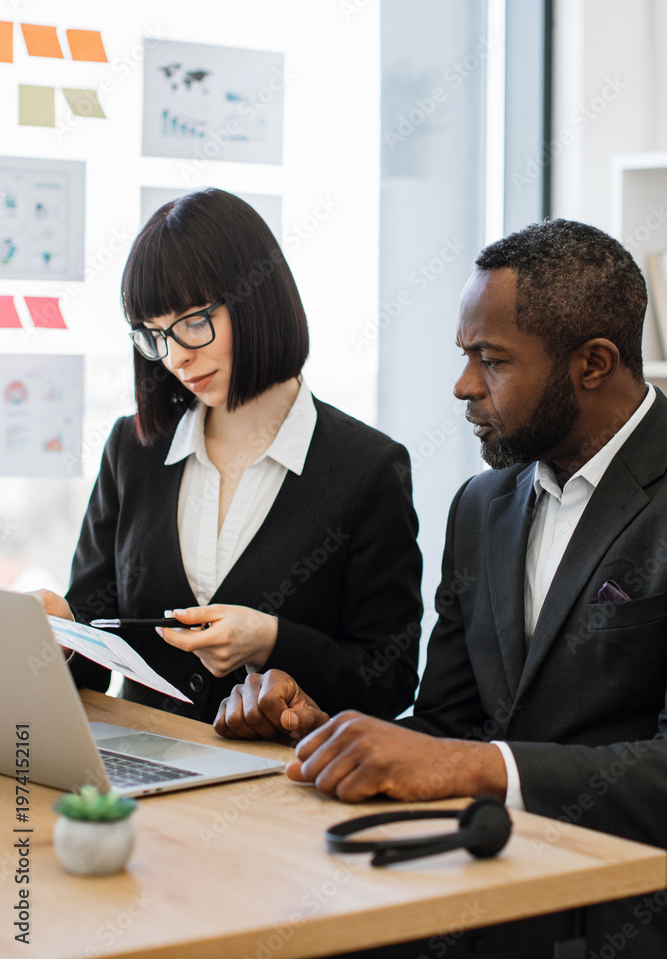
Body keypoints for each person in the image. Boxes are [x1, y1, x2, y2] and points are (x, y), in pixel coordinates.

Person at [214, 219, 667, 958]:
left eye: (489, 361)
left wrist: (473, 767)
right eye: (464, 357)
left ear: (592, 364)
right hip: (475, 894)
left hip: (624, 919)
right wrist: (326, 733)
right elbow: (447, 725)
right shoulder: (480, 505)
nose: (462, 387)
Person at [38, 188, 422, 723]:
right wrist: (60, 631)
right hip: (142, 766)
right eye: (154, 335)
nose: (176, 356)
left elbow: (391, 681)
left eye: (195, 322)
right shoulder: (135, 449)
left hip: (279, 785)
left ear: (258, 297)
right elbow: (97, 643)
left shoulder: (366, 468)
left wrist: (273, 642)